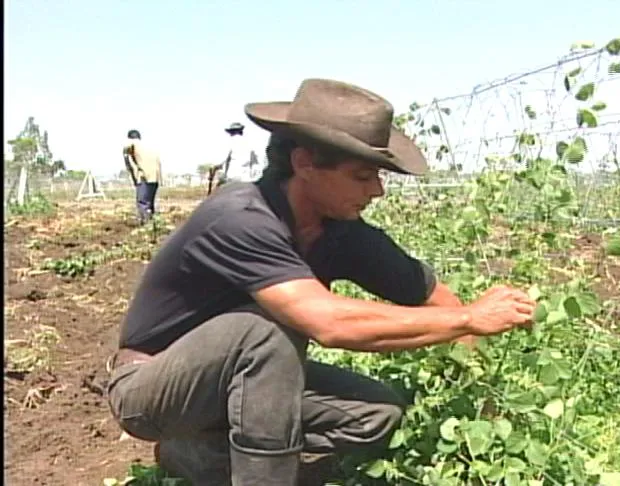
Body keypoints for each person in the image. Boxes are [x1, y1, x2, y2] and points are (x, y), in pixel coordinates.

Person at [106, 78, 536, 485]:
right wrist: (469, 320)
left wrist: (484, 401)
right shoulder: (239, 218)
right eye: (362, 176)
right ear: (305, 164)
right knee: (266, 328)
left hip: (243, 386)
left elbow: (441, 302)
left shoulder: (342, 232)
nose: (377, 192)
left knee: (379, 413)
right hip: (152, 389)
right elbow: (327, 323)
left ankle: (201, 456)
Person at [123, 129, 163, 224]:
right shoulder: (149, 147)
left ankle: (145, 224)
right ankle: (152, 223)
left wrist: (126, 159)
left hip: (144, 177)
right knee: (150, 202)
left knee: (142, 202)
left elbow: (126, 151)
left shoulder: (133, 143)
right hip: (155, 177)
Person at [207, 122, 247, 195]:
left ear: (231, 132)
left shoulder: (231, 141)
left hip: (233, 176)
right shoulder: (249, 143)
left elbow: (220, 161)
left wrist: (213, 170)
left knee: (216, 195)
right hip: (247, 179)